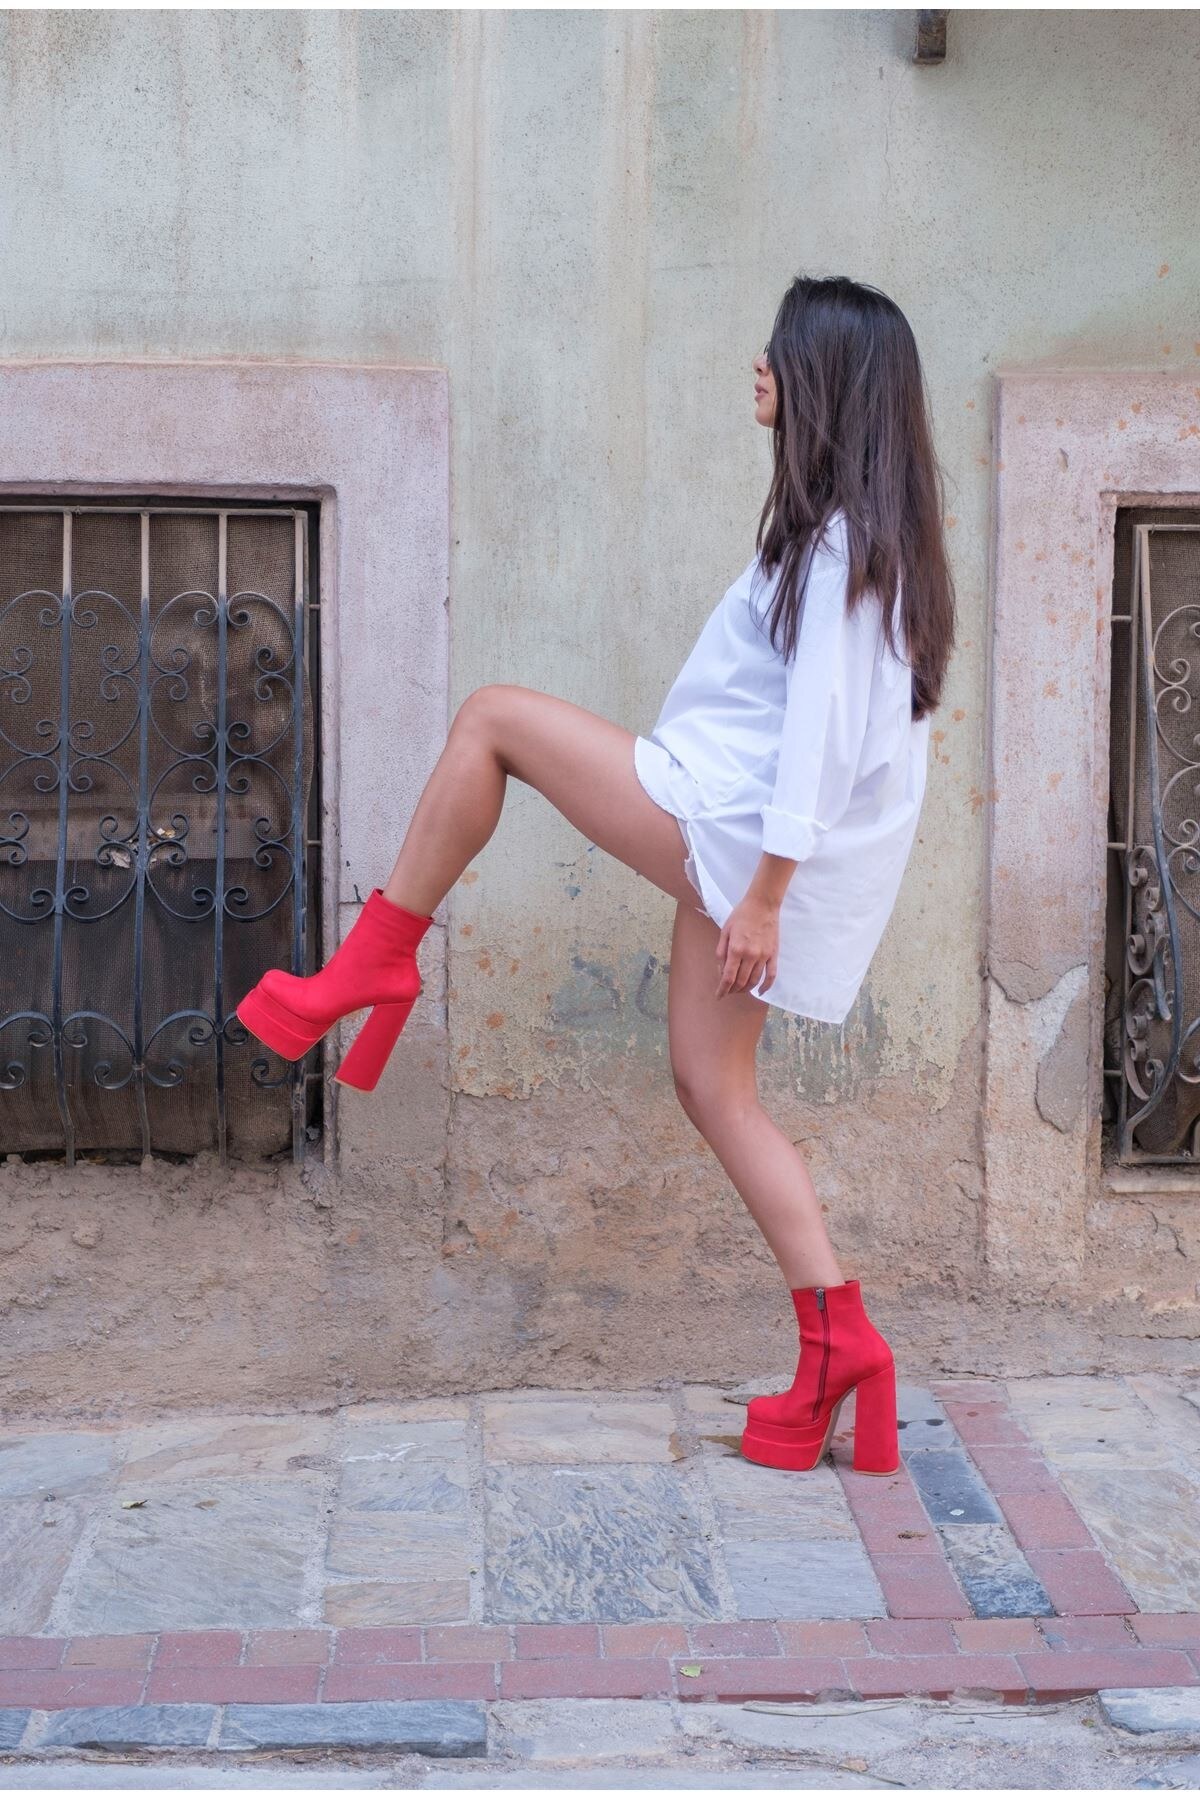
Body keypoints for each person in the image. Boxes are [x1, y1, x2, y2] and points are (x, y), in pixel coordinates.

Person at [237, 272, 956, 1479]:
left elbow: (825, 745)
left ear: (827, 381)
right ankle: (843, 1343)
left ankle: (373, 964)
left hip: (735, 830)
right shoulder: (853, 542)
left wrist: (766, 894)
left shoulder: (842, 551)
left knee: (491, 721)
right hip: (738, 829)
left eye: (780, 351)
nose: (760, 365)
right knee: (713, 1087)